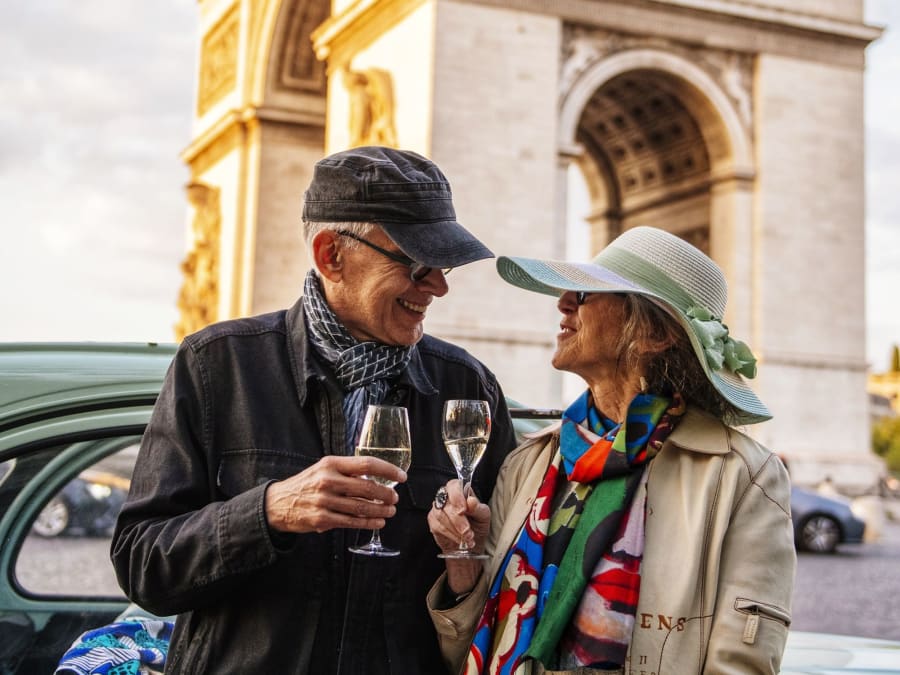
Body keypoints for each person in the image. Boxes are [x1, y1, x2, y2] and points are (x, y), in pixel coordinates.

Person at [110, 146, 517, 674]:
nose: (439, 285)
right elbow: (144, 566)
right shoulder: (216, 366)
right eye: (418, 264)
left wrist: (468, 558)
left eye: (444, 265)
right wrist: (269, 511)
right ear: (331, 255)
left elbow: (514, 595)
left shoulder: (469, 387)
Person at [426, 226, 795, 674]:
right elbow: (466, 649)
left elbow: (742, 664)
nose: (563, 302)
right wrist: (464, 561)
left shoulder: (744, 477)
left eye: (585, 294)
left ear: (654, 334)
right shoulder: (530, 462)